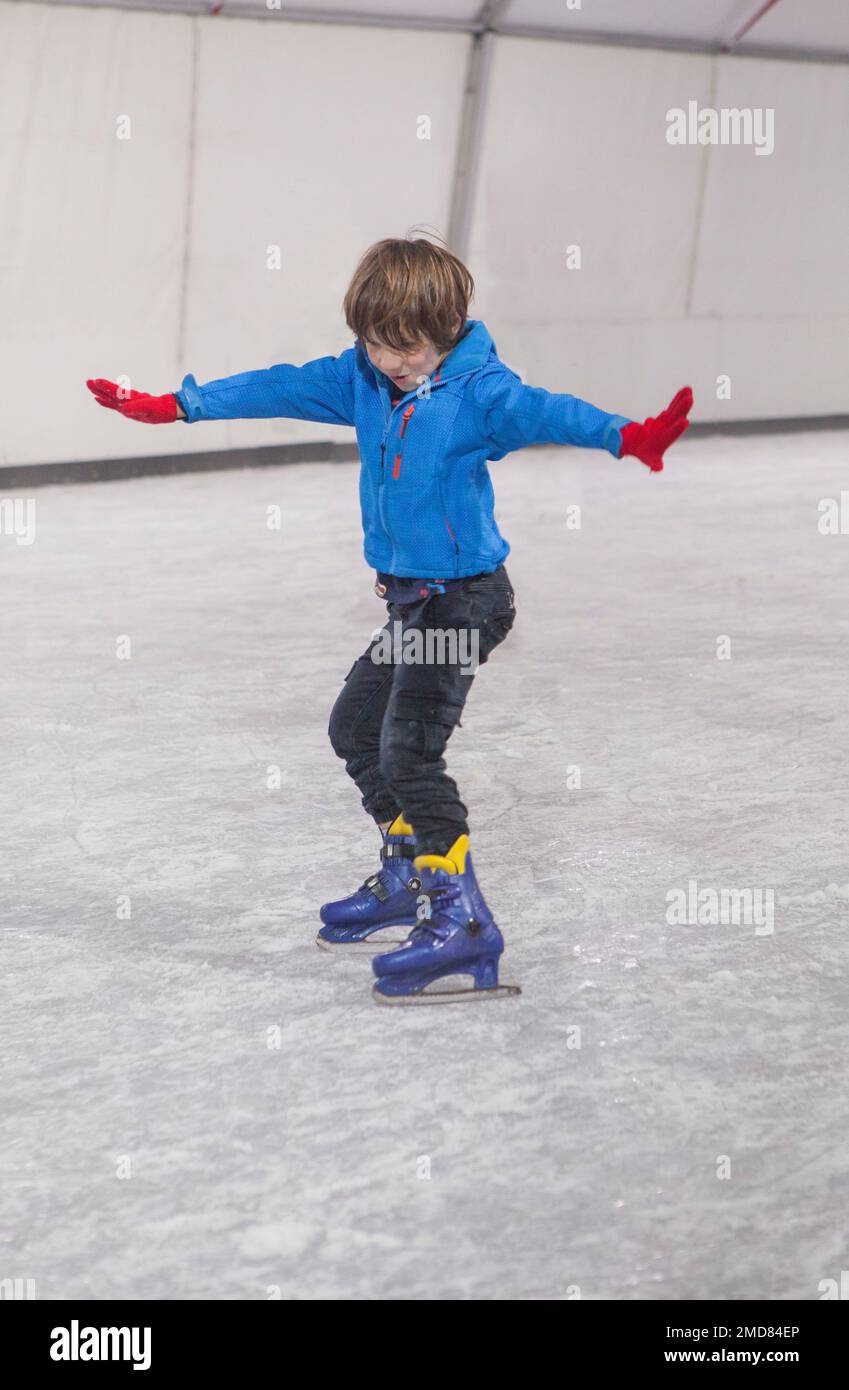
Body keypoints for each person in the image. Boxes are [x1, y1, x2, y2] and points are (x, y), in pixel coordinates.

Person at [87, 235, 692, 1005]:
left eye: (403, 345)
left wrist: (625, 435)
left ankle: (464, 925)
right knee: (353, 730)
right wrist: (178, 406)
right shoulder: (360, 380)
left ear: (444, 329)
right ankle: (407, 876)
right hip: (410, 600)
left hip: (465, 596)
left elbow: (550, 411)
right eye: (373, 342)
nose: (387, 360)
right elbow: (277, 386)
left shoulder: (481, 394)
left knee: (409, 750)